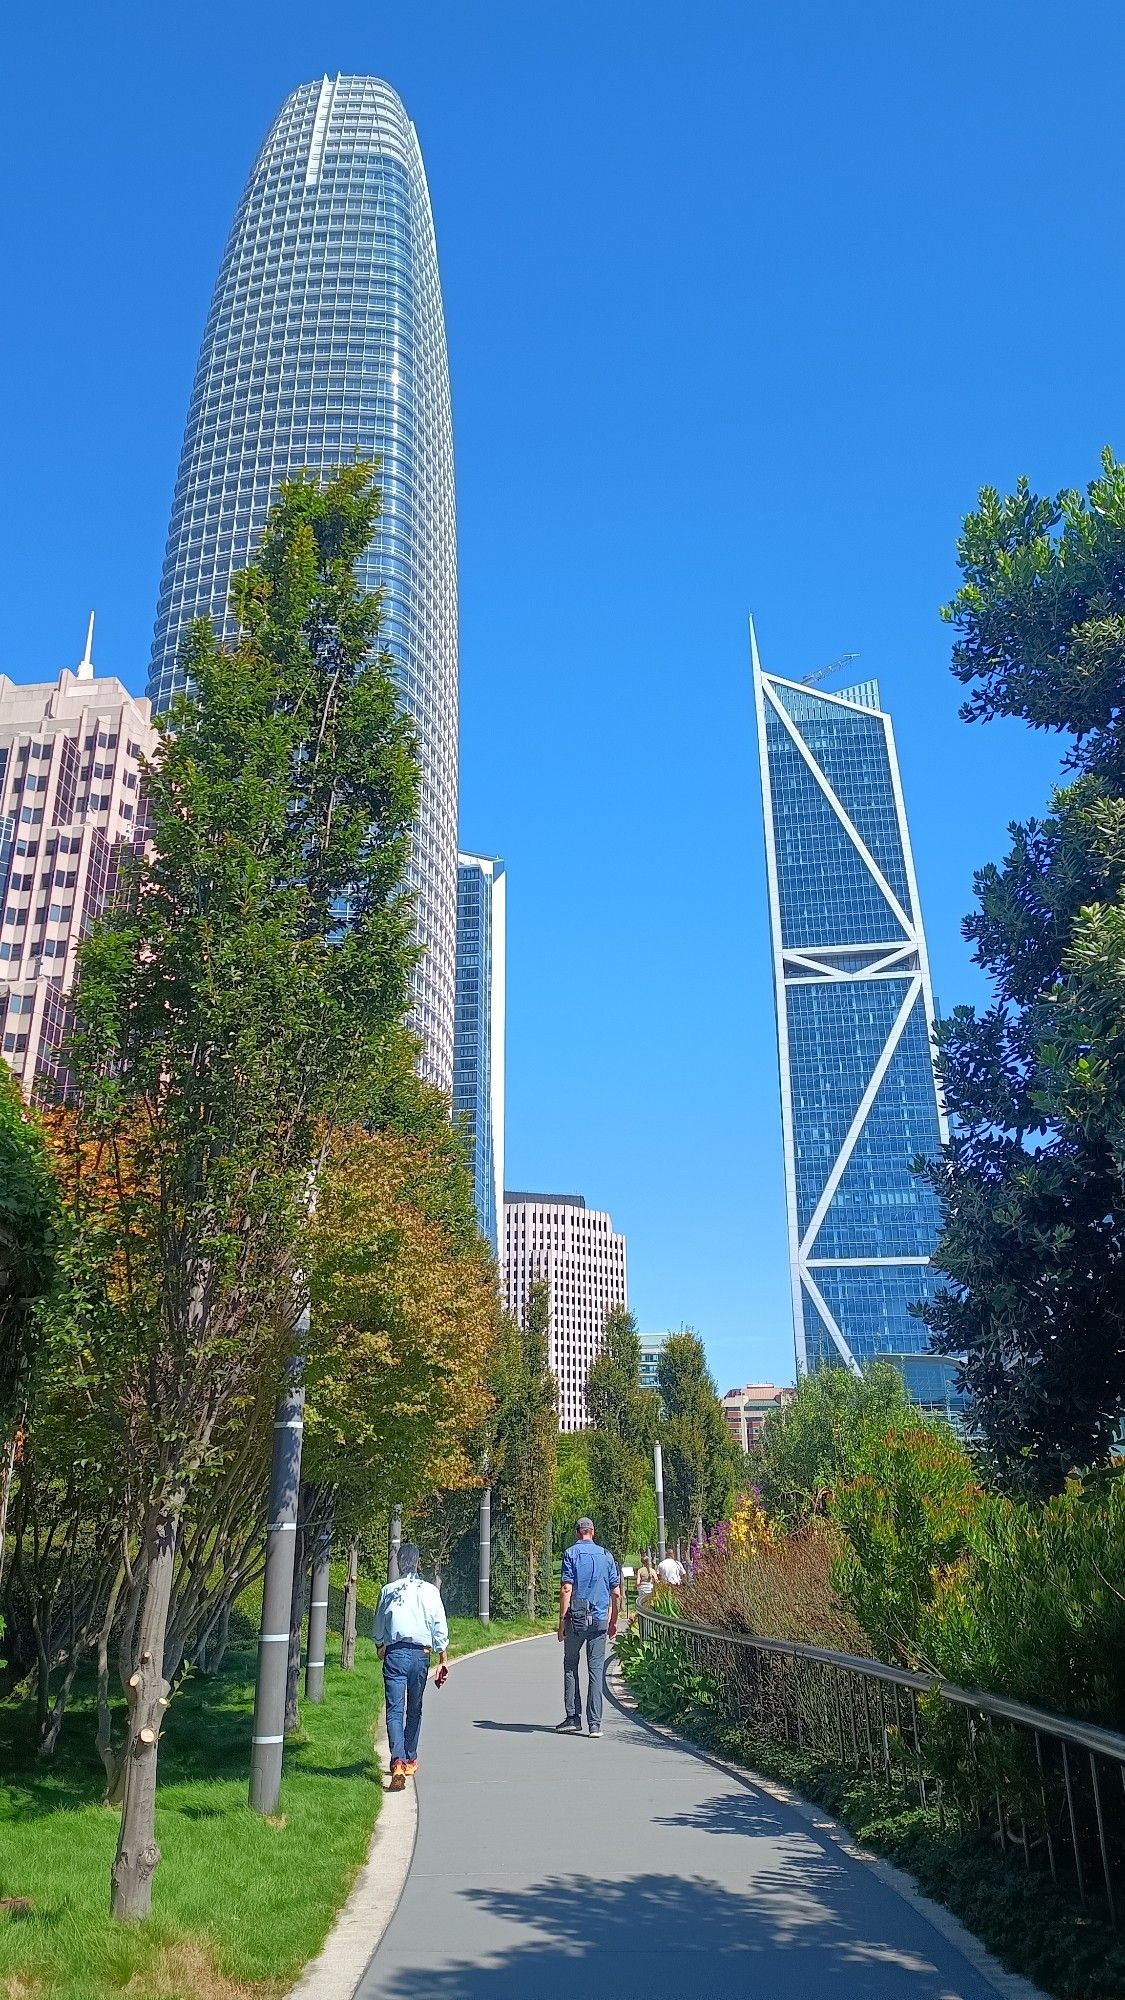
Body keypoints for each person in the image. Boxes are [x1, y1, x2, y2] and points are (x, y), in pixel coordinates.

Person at [373, 1543, 449, 1791]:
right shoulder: (429, 1591)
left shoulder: (388, 1590)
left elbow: (378, 1624)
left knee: (394, 1709)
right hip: (420, 1654)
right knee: (414, 1708)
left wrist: (380, 1645)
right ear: (418, 1564)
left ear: (398, 1564)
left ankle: (397, 1761)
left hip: (395, 1653)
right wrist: (442, 1657)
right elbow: (439, 1624)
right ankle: (410, 1758)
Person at [556, 1516, 620, 1738]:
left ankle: (573, 1718)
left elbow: (566, 1589)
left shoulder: (571, 1554)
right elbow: (617, 1593)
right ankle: (595, 1724)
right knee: (596, 1670)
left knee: (571, 1664)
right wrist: (613, 1621)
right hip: (600, 1619)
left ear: (577, 1533)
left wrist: (562, 1622)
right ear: (593, 1532)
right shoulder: (606, 1556)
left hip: (576, 1619)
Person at [635, 1553, 656, 1617]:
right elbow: (656, 1579)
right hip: (650, 1587)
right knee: (649, 1602)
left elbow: (638, 1582)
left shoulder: (640, 1570)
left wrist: (636, 1586)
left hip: (642, 1588)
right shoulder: (652, 1570)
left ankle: (643, 1615)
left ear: (642, 1562)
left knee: (642, 1603)